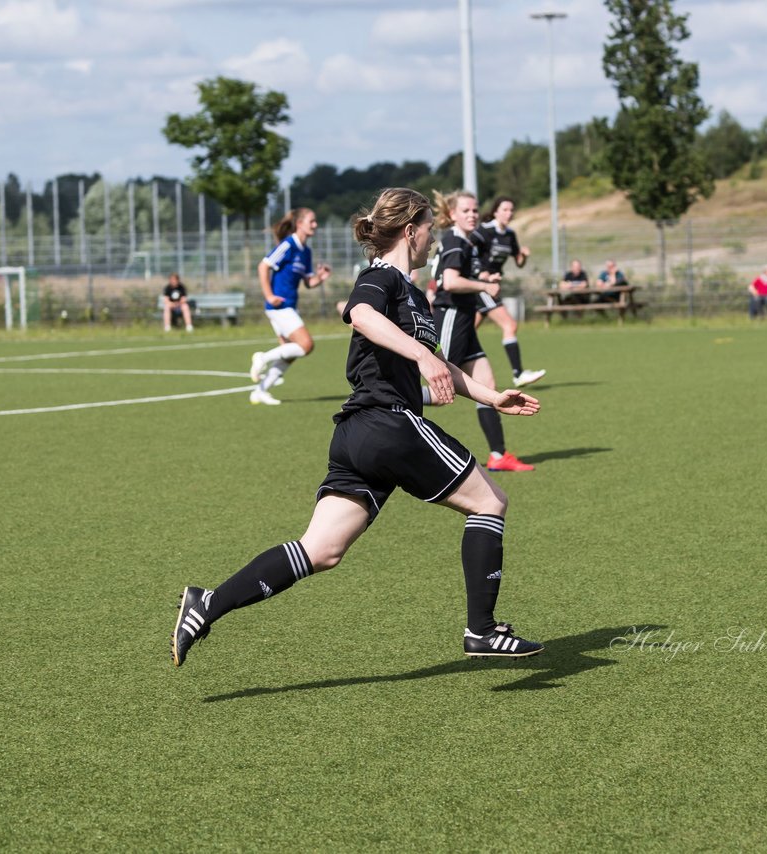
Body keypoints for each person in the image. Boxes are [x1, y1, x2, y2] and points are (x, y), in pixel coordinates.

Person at [171, 187, 544, 668]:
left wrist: (493, 397)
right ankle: (483, 630)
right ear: (410, 231)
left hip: (359, 435)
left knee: (321, 550)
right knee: (490, 501)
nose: (434, 236)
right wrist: (418, 357)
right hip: (388, 423)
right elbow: (360, 314)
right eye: (430, 227)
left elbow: (435, 362)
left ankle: (207, 603)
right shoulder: (381, 277)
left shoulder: (412, 293)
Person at [430, 189, 536, 473]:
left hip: (465, 318)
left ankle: (498, 456)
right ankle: (391, 403)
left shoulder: (467, 242)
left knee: (487, 387)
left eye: (475, 210)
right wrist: (484, 286)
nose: (472, 215)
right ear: (452, 214)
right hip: (451, 316)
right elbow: (450, 282)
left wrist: (484, 277)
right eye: (465, 210)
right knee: (441, 392)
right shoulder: (455, 240)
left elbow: (459, 275)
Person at [248, 208, 332, 405]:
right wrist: (269, 295)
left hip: (289, 307)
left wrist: (320, 278)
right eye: (312, 221)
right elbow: (263, 266)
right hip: (279, 307)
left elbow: (308, 283)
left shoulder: (306, 251)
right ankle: (262, 357)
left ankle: (260, 391)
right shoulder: (288, 245)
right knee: (306, 345)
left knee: (290, 353)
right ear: (299, 224)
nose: (315, 225)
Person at [470, 196, 545, 387]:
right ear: (495, 211)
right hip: (481, 285)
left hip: (493, 286)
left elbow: (519, 263)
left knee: (466, 332)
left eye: (511, 210)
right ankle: (518, 374)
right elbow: (467, 250)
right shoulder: (483, 231)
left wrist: (524, 256)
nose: (509, 213)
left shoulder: (510, 235)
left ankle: (444, 369)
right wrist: (481, 273)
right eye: (505, 209)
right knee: (510, 325)